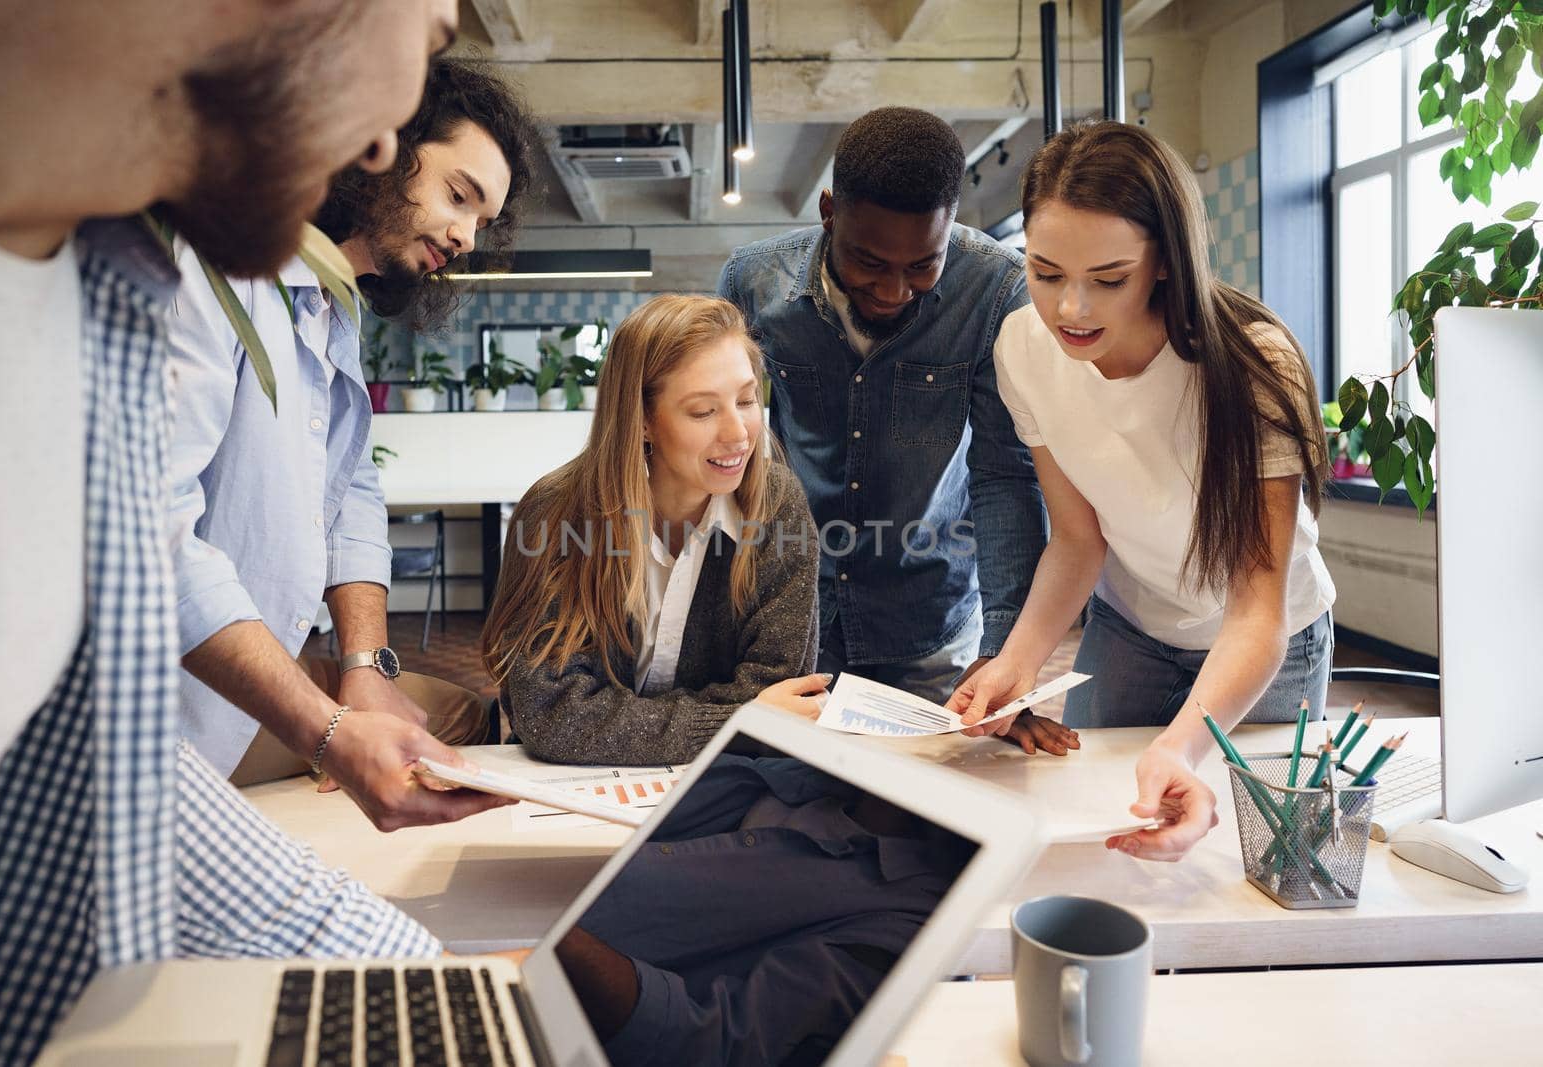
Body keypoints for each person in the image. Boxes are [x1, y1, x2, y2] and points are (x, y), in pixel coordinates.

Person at [0, 3, 511, 1063]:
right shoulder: (167, 281)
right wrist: (329, 730)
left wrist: (362, 668)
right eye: (425, 33)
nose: (376, 138)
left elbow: (115, 790)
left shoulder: (130, 285)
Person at [166, 52, 540, 822]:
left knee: (457, 726)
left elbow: (353, 492)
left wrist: (365, 665)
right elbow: (152, 538)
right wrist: (330, 729)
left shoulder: (335, 305)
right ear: (381, 147)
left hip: (260, 680)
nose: (467, 235)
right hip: (164, 712)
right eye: (458, 194)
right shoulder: (210, 268)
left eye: (483, 219)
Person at [951, 120, 1336, 862]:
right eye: (1046, 271)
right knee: (1098, 830)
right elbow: (1077, 538)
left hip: (1269, 641)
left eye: (1108, 279)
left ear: (1164, 260)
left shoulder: (1254, 364)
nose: (1071, 310)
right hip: (1132, 627)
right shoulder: (1022, 350)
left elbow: (1258, 608)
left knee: (1251, 857)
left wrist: (1184, 748)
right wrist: (1018, 661)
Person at [718, 107, 1073, 757]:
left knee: (928, 814)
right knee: (795, 799)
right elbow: (733, 453)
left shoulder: (994, 290)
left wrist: (1003, 658)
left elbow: (1003, 478)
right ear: (829, 211)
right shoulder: (753, 281)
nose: (893, 290)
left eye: (922, 267)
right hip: (797, 615)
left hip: (931, 624)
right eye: (869, 262)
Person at [483, 295, 826, 765]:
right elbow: (550, 714)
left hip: (724, 787)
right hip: (565, 794)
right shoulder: (555, 513)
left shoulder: (775, 505)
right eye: (703, 411)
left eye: (747, 400)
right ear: (642, 420)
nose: (739, 434)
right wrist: (737, 722)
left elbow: (782, 699)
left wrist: (750, 719)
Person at [555, 752, 975, 1067]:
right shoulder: (801, 771)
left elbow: (711, 1040)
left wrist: (553, 939)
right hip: (521, 893)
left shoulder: (905, 921)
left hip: (552, 1000)